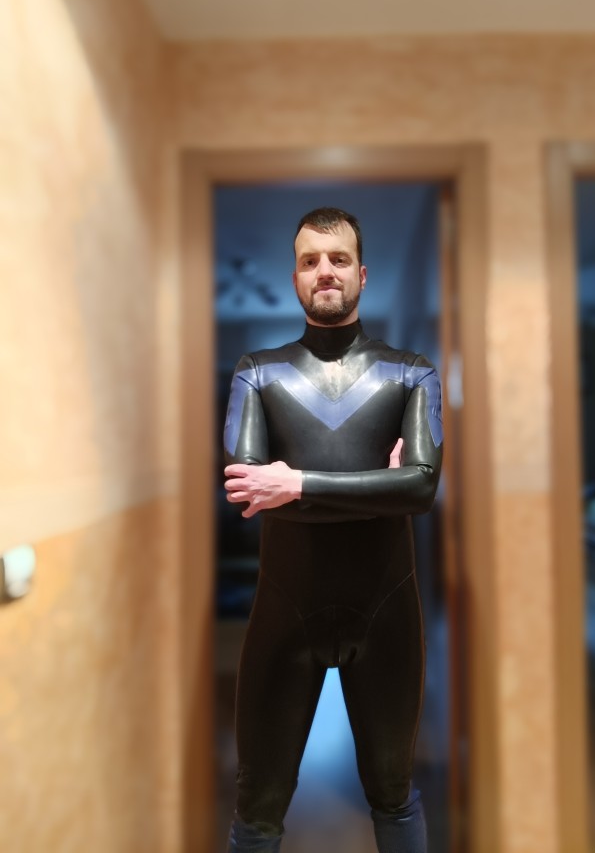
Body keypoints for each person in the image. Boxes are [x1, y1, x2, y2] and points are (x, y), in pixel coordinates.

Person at [223, 206, 443, 852]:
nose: (325, 271)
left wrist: (296, 484)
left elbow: (422, 488)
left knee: (395, 797)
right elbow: (247, 491)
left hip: (386, 616)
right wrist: (380, 490)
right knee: (256, 810)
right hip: (283, 615)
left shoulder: (412, 371)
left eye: (339, 259)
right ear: (294, 276)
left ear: (362, 274)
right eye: (310, 260)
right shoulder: (256, 372)